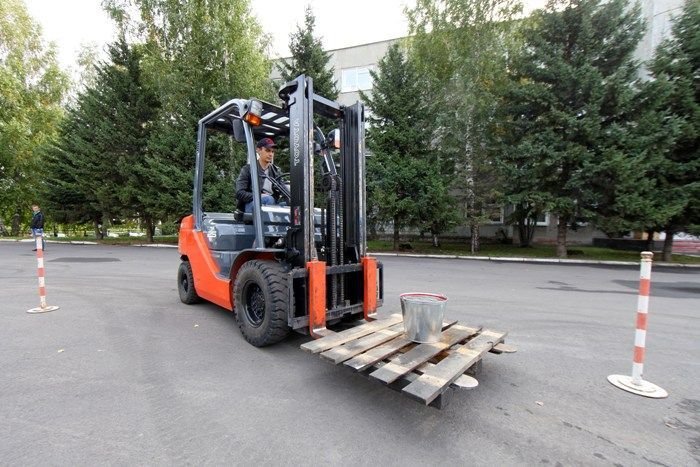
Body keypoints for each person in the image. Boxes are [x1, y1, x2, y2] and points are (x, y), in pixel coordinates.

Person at [236, 137, 284, 213]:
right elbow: (239, 193)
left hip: (271, 203)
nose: (271, 154)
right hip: (251, 204)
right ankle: (269, 224)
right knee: (269, 199)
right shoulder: (248, 169)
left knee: (290, 205)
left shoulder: (276, 171)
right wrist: (259, 196)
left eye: (272, 152)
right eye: (267, 151)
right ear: (258, 150)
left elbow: (283, 188)